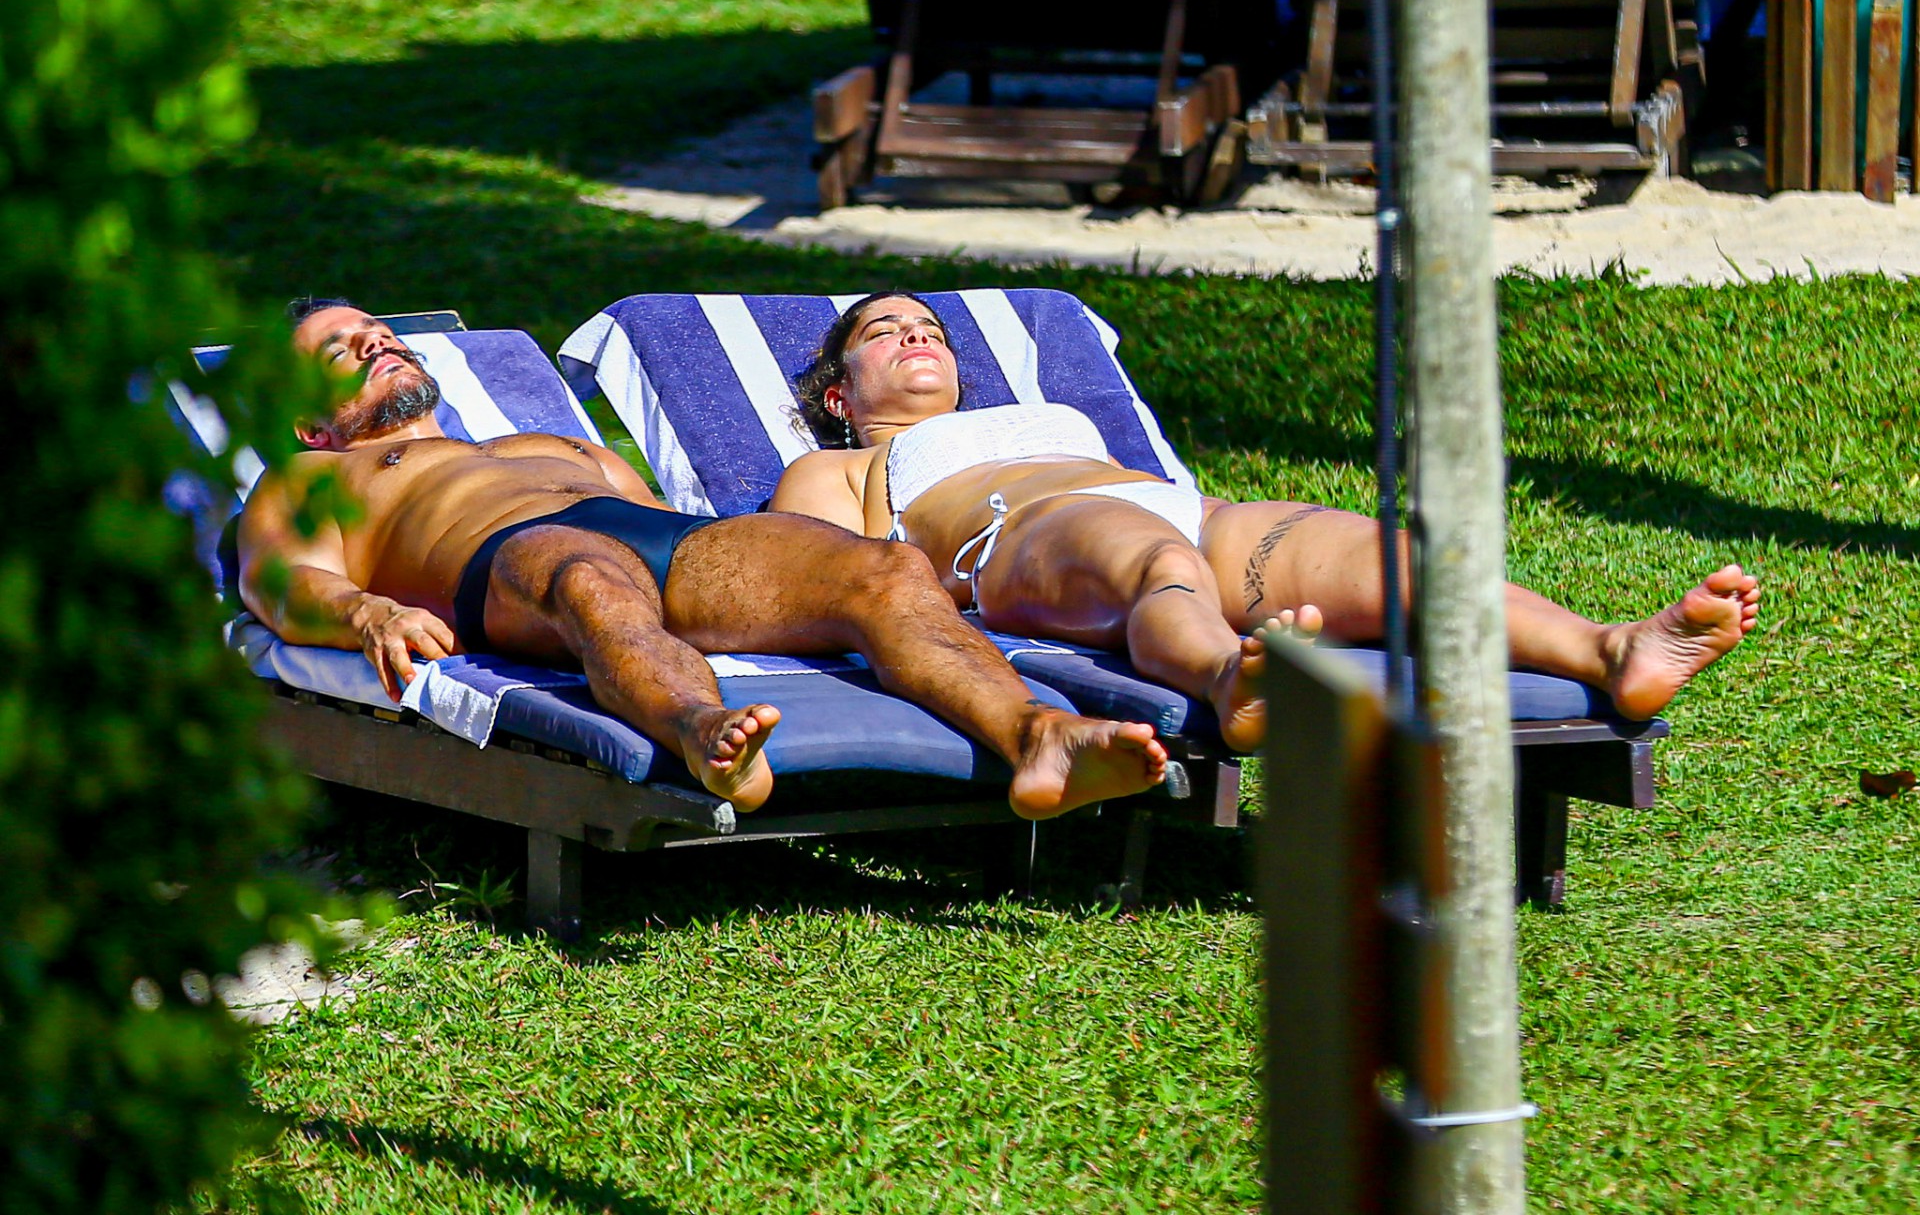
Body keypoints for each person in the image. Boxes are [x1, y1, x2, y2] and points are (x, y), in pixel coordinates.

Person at [236, 299, 1170, 819]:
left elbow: (662, 532)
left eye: (384, 335)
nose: (379, 344)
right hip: (505, 560)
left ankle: (1037, 734)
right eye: (344, 351)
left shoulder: (547, 438)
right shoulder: (315, 473)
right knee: (588, 580)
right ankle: (698, 728)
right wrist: (370, 613)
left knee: (880, 572)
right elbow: (276, 579)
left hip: (650, 536)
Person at [769, 291, 1762, 752]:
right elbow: (822, 578)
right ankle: (1224, 678)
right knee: (1152, 562)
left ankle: (1611, 650)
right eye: (884, 331)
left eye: (932, 328)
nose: (917, 337)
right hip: (1020, 539)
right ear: (840, 394)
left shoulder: (1031, 413)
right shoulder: (845, 465)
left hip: (1194, 514)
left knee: (1386, 558)